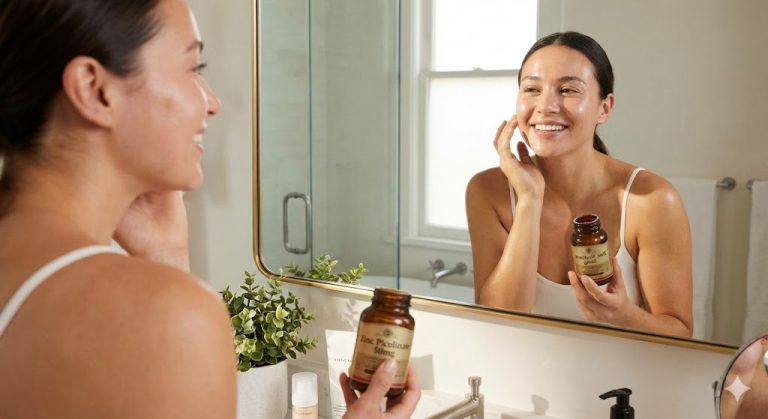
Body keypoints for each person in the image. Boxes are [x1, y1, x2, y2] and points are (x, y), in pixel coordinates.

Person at [0, 1, 419, 418]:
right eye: (193, 69)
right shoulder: (167, 314)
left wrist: (163, 257)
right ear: (95, 89)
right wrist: (170, 287)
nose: (213, 102)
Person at [466, 31, 693, 337]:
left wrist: (623, 315)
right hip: (520, 379)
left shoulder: (650, 200)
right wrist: (530, 199)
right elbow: (498, 320)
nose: (546, 105)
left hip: (622, 382)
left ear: (605, 107)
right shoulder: (487, 192)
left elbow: (680, 333)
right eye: (532, 89)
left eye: (569, 89)